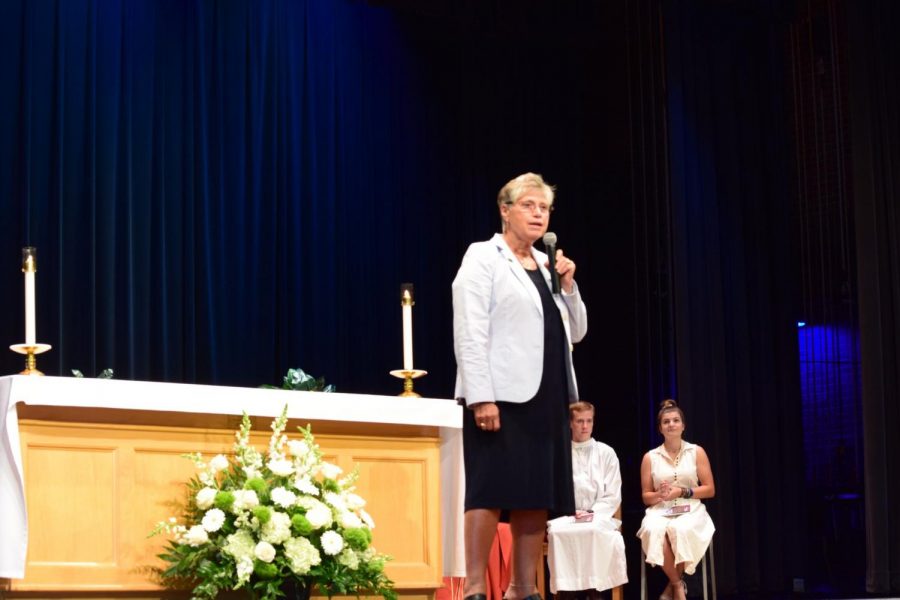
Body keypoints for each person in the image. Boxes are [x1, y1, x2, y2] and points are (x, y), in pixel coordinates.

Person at [453, 172, 588, 600]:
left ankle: (523, 589)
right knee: (488, 490)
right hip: (500, 396)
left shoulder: (549, 265)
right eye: (528, 205)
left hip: (547, 396)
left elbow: (577, 333)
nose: (537, 214)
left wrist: (568, 288)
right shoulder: (483, 256)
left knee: (535, 494)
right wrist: (481, 397)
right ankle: (475, 587)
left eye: (544, 207)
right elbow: (469, 329)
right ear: (505, 210)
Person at [547, 401, 628, 599]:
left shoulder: (606, 453)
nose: (585, 426)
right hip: (567, 516)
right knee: (557, 532)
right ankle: (567, 593)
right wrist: (570, 511)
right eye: (580, 421)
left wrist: (592, 512)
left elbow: (613, 494)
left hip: (598, 516)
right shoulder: (560, 454)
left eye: (589, 421)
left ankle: (595, 591)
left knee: (593, 531)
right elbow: (553, 490)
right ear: (570, 423)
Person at [637, 399, 716, 600]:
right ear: (660, 428)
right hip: (661, 509)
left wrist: (681, 492)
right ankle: (677, 585)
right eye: (666, 422)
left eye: (675, 420)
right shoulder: (650, 457)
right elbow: (646, 496)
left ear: (683, 425)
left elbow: (709, 490)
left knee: (679, 529)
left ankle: (672, 589)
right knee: (653, 529)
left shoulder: (696, 451)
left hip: (690, 508)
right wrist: (660, 495)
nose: (671, 424)